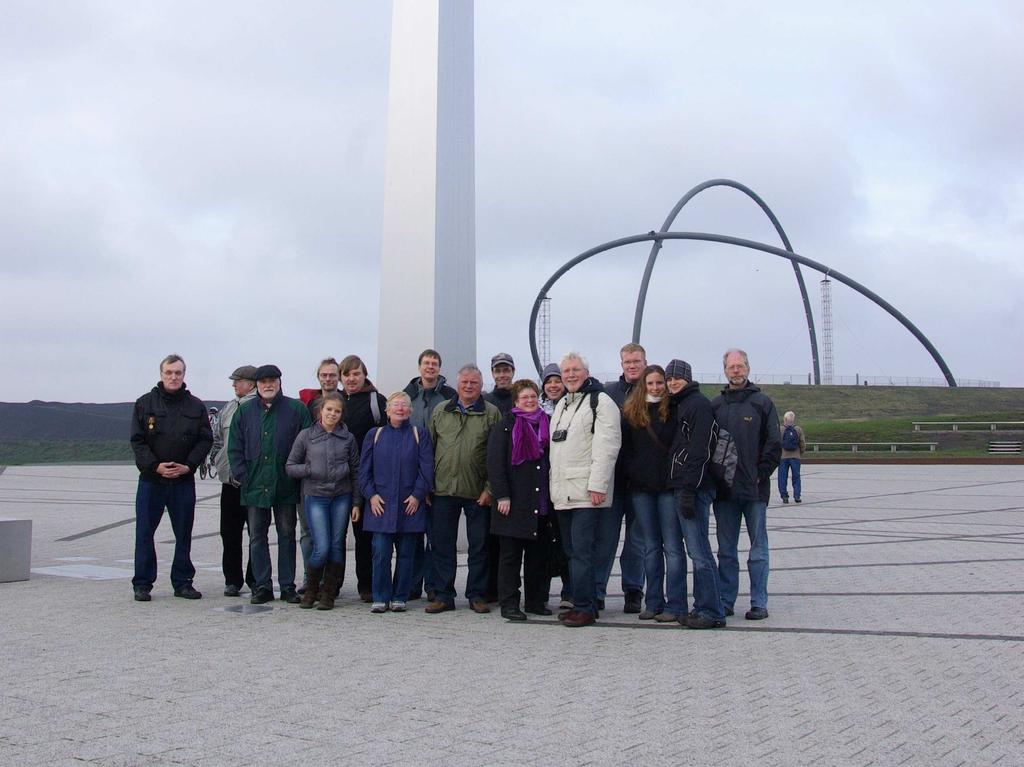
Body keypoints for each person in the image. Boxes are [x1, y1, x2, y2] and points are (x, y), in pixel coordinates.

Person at [129, 354, 213, 602]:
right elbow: (137, 441)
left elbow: (205, 439)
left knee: (184, 534)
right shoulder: (144, 404)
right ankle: (143, 583)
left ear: (184, 375)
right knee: (144, 533)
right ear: (161, 374)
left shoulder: (195, 406)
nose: (173, 377)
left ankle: (183, 582)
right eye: (169, 372)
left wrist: (188, 466)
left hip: (182, 481)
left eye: (178, 373)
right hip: (152, 480)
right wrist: (155, 466)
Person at [229, 364, 312, 605]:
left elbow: (307, 445)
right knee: (257, 536)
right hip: (254, 485)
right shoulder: (244, 412)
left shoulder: (296, 410)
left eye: (272, 380)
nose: (268, 385)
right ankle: (262, 586)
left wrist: (296, 475)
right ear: (256, 384)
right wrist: (243, 475)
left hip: (285, 485)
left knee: (287, 534)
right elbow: (235, 447)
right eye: (263, 381)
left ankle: (287, 586)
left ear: (279, 382)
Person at [550, 352, 621, 627]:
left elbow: (608, 446)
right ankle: (583, 601)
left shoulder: (601, 402)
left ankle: (585, 606)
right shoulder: (563, 405)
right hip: (564, 493)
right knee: (572, 552)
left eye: (575, 370)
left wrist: (598, 485)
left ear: (586, 372)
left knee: (583, 552)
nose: (569, 375)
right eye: (566, 370)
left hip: (587, 493)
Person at [711, 349, 781, 621]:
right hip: (725, 491)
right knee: (726, 550)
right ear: (725, 370)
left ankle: (758, 602)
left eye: (740, 366)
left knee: (758, 549)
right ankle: (726, 600)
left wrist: (761, 473)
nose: (736, 371)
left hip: (754, 489)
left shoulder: (762, 402)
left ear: (748, 368)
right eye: (731, 367)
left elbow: (773, 442)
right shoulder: (716, 405)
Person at [425, 364, 501, 614]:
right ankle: (444, 594)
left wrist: (489, 489)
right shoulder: (440, 411)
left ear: (481, 386)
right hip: (443, 490)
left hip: (477, 492)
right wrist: (428, 485)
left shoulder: (491, 413)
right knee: (442, 545)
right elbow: (428, 450)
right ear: (458, 385)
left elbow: (497, 455)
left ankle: (477, 594)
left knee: (479, 546)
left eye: (474, 383)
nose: (469, 386)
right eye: (465, 382)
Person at [359, 392, 435, 612]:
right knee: (380, 553)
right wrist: (371, 495)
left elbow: (426, 469)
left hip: (409, 504)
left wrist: (417, 495)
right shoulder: (374, 434)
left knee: (406, 555)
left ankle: (400, 596)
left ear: (411, 411)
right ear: (387, 410)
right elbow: (364, 471)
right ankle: (381, 596)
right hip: (380, 505)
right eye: (395, 405)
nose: (400, 408)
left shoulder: (418, 434)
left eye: (404, 405)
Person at [620, 364, 685, 622]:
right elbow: (626, 450)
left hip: (668, 488)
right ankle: (654, 601)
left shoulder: (674, 410)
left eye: (660, 383)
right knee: (650, 547)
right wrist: (634, 473)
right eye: (651, 383)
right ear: (643, 385)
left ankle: (676, 603)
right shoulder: (632, 413)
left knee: (672, 546)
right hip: (642, 489)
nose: (656, 387)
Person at [285, 392, 361, 610]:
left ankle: (328, 593)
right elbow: (290, 466)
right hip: (315, 495)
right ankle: (311, 590)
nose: (332, 414)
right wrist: (309, 469)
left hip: (341, 496)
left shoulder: (348, 438)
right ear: (320, 410)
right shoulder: (306, 436)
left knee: (337, 546)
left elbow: (356, 471)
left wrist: (356, 502)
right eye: (329, 410)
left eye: (337, 411)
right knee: (322, 546)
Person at [665, 359, 726, 629]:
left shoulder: (697, 405)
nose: (673, 382)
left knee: (699, 551)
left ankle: (711, 611)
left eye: (678, 377)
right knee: (697, 550)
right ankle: (704, 607)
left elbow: (700, 450)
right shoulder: (682, 404)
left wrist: (690, 489)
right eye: (670, 378)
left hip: (694, 488)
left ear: (688, 379)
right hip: (684, 485)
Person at [487, 379, 553, 621]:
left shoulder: (546, 423)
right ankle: (510, 603)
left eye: (533, 397)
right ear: (516, 401)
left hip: (541, 500)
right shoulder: (505, 426)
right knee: (511, 557)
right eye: (524, 397)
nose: (530, 401)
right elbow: (495, 464)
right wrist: (502, 495)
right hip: (514, 501)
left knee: (538, 557)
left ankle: (536, 601)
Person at [403, 348, 455, 600]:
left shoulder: (449, 395)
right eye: (426, 363)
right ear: (419, 366)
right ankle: (411, 585)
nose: (430, 367)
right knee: (413, 535)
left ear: (439, 368)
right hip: (410, 474)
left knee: (436, 537)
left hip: (440, 474)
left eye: (435, 363)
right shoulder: (406, 395)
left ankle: (434, 586)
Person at [601, 342, 647, 613]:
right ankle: (598, 590)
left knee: (636, 541)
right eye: (627, 362)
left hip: (641, 481)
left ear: (644, 362)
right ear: (622, 365)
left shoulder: (653, 390)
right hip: (613, 480)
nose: (632, 366)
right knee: (605, 539)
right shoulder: (609, 394)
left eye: (636, 362)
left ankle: (633, 590)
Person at [339, 354, 388, 603]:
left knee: (364, 537)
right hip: (337, 478)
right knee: (335, 535)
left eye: (356, 374)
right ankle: (332, 585)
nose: (351, 379)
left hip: (366, 477)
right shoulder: (334, 401)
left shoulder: (376, 401)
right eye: (346, 374)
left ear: (364, 375)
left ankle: (366, 585)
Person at [210, 365, 258, 597]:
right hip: (228, 481)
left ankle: (254, 578)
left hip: (252, 482)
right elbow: (218, 438)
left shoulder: (259, 407)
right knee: (229, 532)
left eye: (237, 381)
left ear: (251, 383)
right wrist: (217, 458)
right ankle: (232, 579)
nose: (234, 385)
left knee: (255, 533)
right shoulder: (229, 407)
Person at [296, 357, 341, 594]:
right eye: (324, 375)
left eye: (332, 375)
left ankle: (330, 582)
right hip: (310, 483)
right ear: (318, 377)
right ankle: (310, 578)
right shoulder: (307, 404)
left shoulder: (347, 403)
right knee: (308, 533)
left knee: (333, 536)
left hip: (338, 483)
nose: (328, 378)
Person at [539, 362, 570, 608]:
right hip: (541, 484)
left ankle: (570, 592)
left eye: (556, 381)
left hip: (566, 482)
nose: (553, 385)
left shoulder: (574, 407)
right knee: (544, 540)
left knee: (567, 538)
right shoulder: (537, 411)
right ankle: (540, 593)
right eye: (549, 381)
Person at [778, 411, 805, 504]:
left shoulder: (780, 429)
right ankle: (797, 495)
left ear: (784, 419)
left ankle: (784, 496)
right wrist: (800, 452)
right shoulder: (798, 429)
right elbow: (802, 443)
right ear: (793, 419)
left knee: (782, 477)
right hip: (795, 456)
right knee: (796, 476)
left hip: (783, 457)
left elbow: (775, 442)